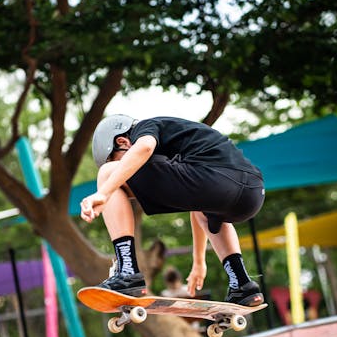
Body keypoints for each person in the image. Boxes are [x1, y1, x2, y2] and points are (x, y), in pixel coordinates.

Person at [80, 114, 265, 306]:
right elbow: (198, 206)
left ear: (123, 141)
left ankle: (127, 272)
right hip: (251, 194)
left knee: (107, 173)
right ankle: (242, 284)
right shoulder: (182, 145)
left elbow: (144, 148)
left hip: (216, 181)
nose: (123, 174)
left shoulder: (145, 127)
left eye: (117, 160)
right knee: (208, 211)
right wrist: (199, 261)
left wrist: (105, 192)